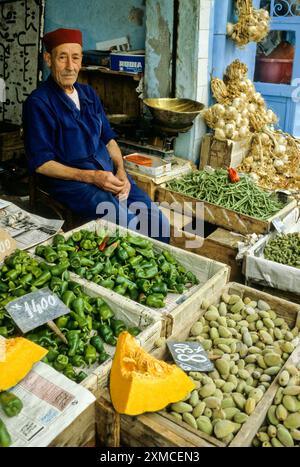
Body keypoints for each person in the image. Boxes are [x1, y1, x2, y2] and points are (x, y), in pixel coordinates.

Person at [23, 28, 169, 243]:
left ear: (81, 60)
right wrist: (91, 177)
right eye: (62, 57)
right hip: (73, 183)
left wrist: (121, 170)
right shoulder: (39, 103)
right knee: (127, 227)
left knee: (157, 223)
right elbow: (41, 163)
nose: (70, 66)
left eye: (75, 58)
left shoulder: (88, 94)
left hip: (108, 174)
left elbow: (108, 139)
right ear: (48, 59)